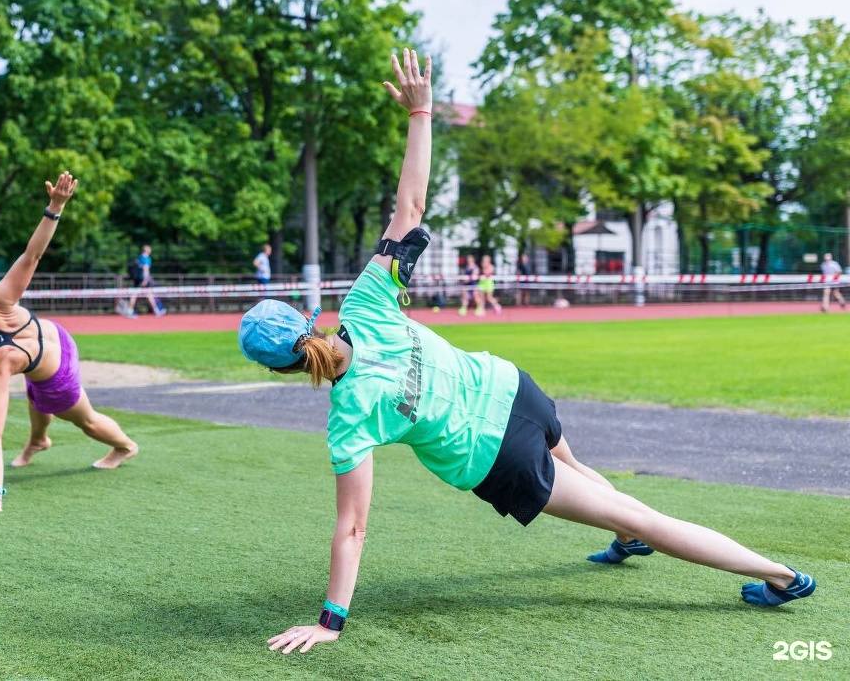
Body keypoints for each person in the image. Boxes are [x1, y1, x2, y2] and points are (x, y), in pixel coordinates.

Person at [236, 49, 814, 656]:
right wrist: (421, 111)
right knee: (601, 492)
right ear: (310, 319)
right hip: (514, 390)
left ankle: (780, 574)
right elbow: (409, 208)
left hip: (501, 455)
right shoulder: (363, 303)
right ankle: (626, 536)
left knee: (642, 515)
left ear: (282, 368)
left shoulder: (348, 416)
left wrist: (330, 622)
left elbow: (352, 529)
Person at [0, 172, 138, 514]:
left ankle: (125, 447)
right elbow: (31, 256)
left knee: (86, 419)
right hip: (58, 337)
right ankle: (39, 440)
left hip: (59, 376)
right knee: (35, 390)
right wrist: (55, 207)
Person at [129, 244, 165, 317]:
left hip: (137, 279)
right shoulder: (147, 258)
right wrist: (146, 280)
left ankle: (130, 310)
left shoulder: (139, 257)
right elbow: (146, 269)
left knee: (141, 294)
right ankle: (156, 310)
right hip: (143, 279)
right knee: (146, 294)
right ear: (147, 250)